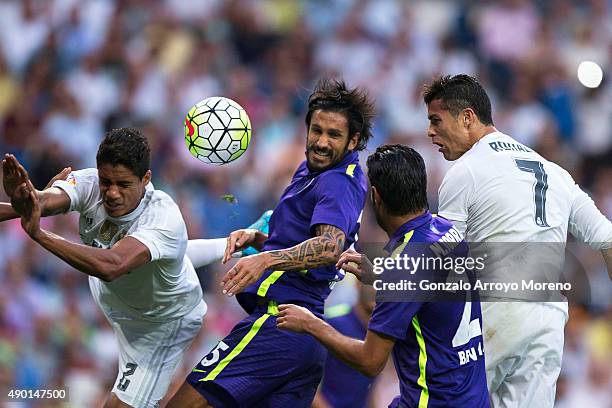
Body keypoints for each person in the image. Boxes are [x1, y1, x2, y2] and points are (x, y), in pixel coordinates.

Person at [168, 78, 374, 408]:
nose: (321, 142)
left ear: (354, 141)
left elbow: (329, 246)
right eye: (316, 130)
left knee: (183, 404)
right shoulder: (314, 171)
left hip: (278, 324)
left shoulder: (338, 182)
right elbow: (306, 238)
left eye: (333, 135)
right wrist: (260, 239)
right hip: (300, 335)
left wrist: (265, 259)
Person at [423, 74, 612, 407]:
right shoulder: (555, 172)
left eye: (436, 121)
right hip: (549, 315)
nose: (430, 132)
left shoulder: (465, 171)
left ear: (467, 118)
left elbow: (442, 260)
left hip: (497, 309)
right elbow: (607, 239)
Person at [2, 128, 226, 408]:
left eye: (123, 184)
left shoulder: (163, 217)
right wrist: (24, 199)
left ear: (146, 179)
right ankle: (234, 243)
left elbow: (113, 266)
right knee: (166, 261)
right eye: (106, 181)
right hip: (119, 298)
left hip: (159, 324)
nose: (112, 193)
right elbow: (43, 203)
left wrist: (41, 234)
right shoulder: (89, 183)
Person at [278, 144, 490, 408]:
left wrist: (311, 324)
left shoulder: (404, 265)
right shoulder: (447, 231)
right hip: (473, 400)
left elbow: (370, 361)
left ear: (375, 196)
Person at [312, 284, 377, 408]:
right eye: (372, 283)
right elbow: (303, 381)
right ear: (358, 284)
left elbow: (369, 385)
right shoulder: (331, 322)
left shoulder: (382, 333)